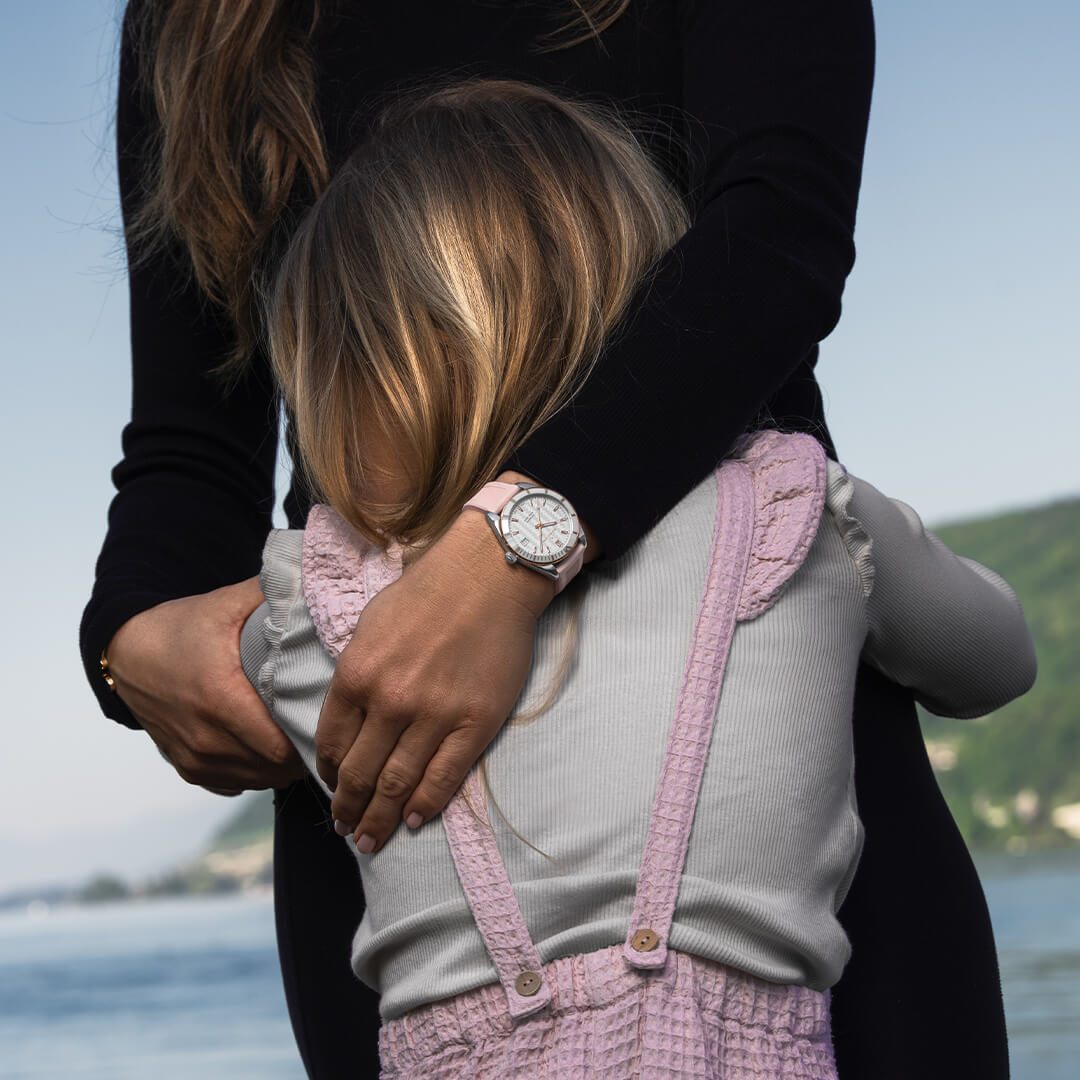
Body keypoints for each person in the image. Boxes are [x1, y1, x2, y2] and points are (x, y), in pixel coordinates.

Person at [80, 1, 1015, 1075]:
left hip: (612, 731)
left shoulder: (312, 618)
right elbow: (192, 431)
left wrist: (510, 555)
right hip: (386, 737)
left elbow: (776, 233)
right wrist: (127, 638)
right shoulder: (807, 524)